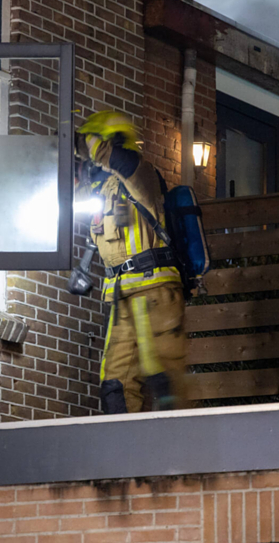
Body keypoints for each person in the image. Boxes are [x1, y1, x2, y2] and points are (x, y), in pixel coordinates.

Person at [73, 110, 187, 413]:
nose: (88, 162)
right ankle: (125, 452)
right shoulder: (95, 192)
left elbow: (121, 163)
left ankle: (183, 451)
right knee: (115, 384)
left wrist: (87, 144)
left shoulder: (141, 175)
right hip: (122, 298)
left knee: (165, 379)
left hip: (157, 293)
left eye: (92, 151)